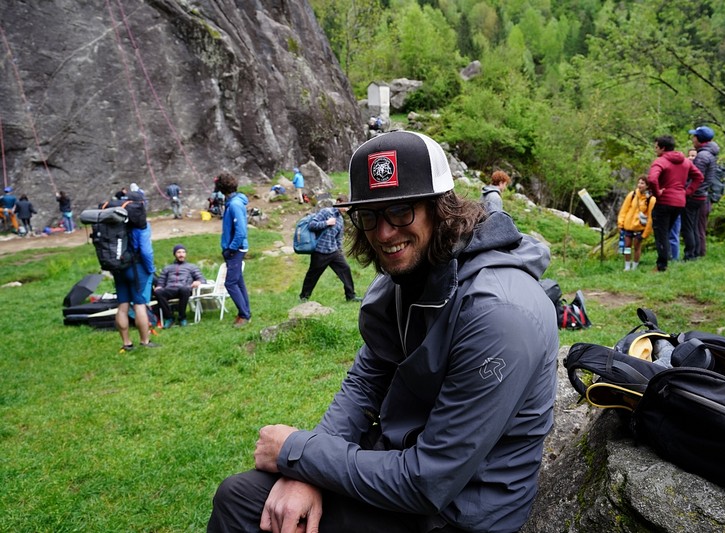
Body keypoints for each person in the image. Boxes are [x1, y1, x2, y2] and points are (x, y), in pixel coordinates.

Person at [208, 131, 559, 533]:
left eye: (400, 211)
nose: (384, 233)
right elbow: (365, 382)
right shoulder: (406, 280)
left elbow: (429, 481)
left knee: (246, 508)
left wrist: (299, 453)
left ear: (441, 208)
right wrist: (305, 471)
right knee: (243, 497)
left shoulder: (498, 314)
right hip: (403, 467)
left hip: (457, 511)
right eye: (370, 216)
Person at [647, 135, 704, 272]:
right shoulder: (685, 161)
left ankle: (662, 265)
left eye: (656, 147)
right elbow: (699, 177)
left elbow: (652, 179)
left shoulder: (660, 161)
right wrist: (687, 191)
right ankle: (665, 260)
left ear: (663, 148)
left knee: (661, 233)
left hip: (664, 201)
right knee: (666, 231)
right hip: (679, 202)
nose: (655, 150)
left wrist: (657, 193)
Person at [112, 189, 159, 351]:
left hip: (118, 267)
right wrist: (151, 269)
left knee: (122, 305)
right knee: (139, 305)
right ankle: (145, 341)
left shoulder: (116, 222)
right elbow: (146, 251)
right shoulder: (141, 224)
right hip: (136, 268)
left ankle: (126, 343)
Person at [298, 194, 361, 303]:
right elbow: (311, 225)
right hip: (320, 251)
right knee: (312, 275)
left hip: (333, 252)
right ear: (338, 202)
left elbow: (338, 238)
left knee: (345, 269)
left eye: (347, 206)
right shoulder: (326, 212)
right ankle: (304, 297)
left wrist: (340, 253)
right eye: (344, 206)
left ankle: (350, 296)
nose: (346, 209)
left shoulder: (340, 219)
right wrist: (326, 223)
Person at [217, 171, 251, 327]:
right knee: (238, 282)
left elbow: (241, 232)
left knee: (230, 283)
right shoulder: (231, 202)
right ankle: (245, 312)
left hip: (236, 250)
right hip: (233, 249)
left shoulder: (235, 205)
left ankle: (244, 315)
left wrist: (231, 249)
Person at [154, 244, 207, 328]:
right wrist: (159, 286)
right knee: (158, 292)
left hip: (185, 290)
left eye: (183, 252)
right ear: (174, 254)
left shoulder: (192, 267)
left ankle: (182, 318)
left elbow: (202, 279)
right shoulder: (167, 268)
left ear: (186, 254)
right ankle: (169, 318)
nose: (181, 254)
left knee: (184, 289)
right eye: (178, 252)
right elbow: (161, 281)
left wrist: (198, 282)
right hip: (170, 289)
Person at [688, 126, 720, 257]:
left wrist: (689, 193)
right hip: (705, 195)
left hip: (699, 196)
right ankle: (698, 253)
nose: (692, 139)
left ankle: (697, 254)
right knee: (699, 226)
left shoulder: (702, 156)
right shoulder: (709, 154)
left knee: (696, 227)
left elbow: (698, 179)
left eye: (694, 136)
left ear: (699, 139)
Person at [617, 176, 655, 271]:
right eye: (639, 183)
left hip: (640, 227)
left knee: (637, 247)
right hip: (628, 226)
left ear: (647, 186)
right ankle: (627, 266)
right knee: (627, 246)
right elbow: (624, 210)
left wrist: (646, 233)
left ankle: (634, 266)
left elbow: (650, 217)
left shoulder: (651, 199)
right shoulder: (632, 195)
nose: (639, 185)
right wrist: (620, 224)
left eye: (642, 183)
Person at [668, 148, 695, 261]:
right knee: (673, 231)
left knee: (672, 231)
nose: (691, 158)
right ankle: (672, 256)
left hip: (673, 201)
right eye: (690, 155)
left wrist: (687, 192)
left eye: (693, 156)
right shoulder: (685, 167)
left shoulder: (680, 168)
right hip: (679, 201)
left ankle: (673, 257)